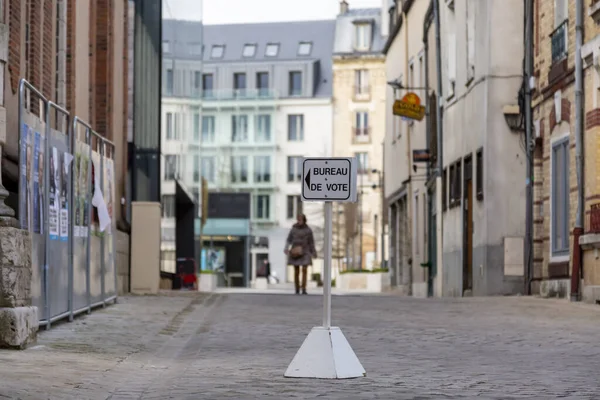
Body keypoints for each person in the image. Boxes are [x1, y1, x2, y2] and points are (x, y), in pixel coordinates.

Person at [284, 213, 317, 295]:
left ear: (304, 220)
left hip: (305, 251)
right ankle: (297, 288)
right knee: (296, 270)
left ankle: (304, 288)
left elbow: (311, 242)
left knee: (305, 270)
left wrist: (313, 252)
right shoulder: (293, 229)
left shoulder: (308, 230)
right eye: (298, 219)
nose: (299, 221)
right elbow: (289, 239)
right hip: (295, 251)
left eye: (301, 219)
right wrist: (286, 248)